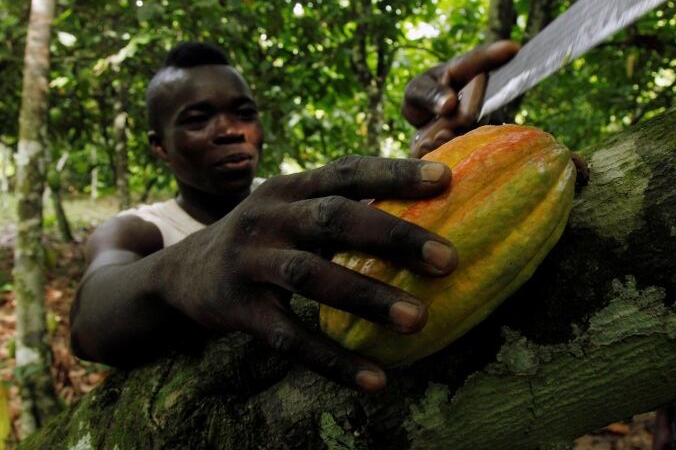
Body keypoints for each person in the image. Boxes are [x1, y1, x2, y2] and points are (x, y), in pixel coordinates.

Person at [69, 40, 520, 393]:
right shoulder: (140, 227)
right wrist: (187, 266)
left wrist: (448, 150)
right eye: (197, 118)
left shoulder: (294, 207)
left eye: (243, 112)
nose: (229, 129)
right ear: (159, 146)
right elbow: (89, 319)